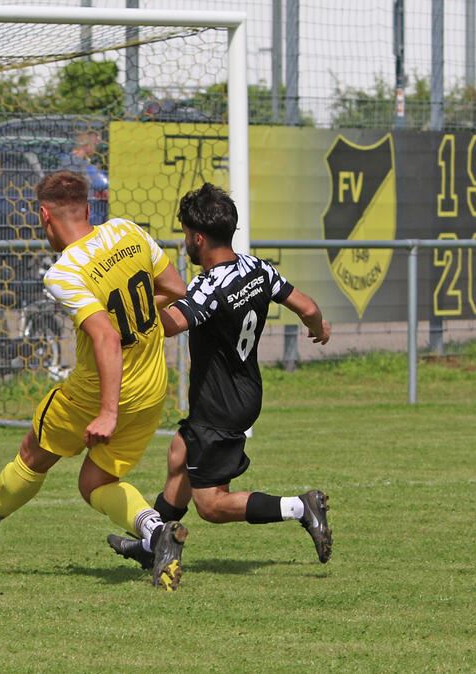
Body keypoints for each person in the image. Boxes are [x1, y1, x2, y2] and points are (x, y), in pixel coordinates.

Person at [0, 170, 192, 590]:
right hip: (151, 386)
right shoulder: (128, 231)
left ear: (45, 217)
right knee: (95, 482)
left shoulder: (64, 273)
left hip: (96, 394)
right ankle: (157, 533)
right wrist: (134, 317)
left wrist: (106, 411)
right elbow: (175, 287)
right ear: (87, 209)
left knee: (33, 451)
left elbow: (103, 335)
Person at [108, 183, 334, 570]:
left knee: (211, 504)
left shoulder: (209, 286)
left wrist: (127, 309)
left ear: (198, 237)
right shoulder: (256, 268)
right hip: (242, 390)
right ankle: (154, 543)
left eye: (184, 236)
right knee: (179, 454)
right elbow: (308, 306)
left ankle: (300, 506)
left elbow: (170, 324)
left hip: (220, 403)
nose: (184, 244)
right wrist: (319, 327)